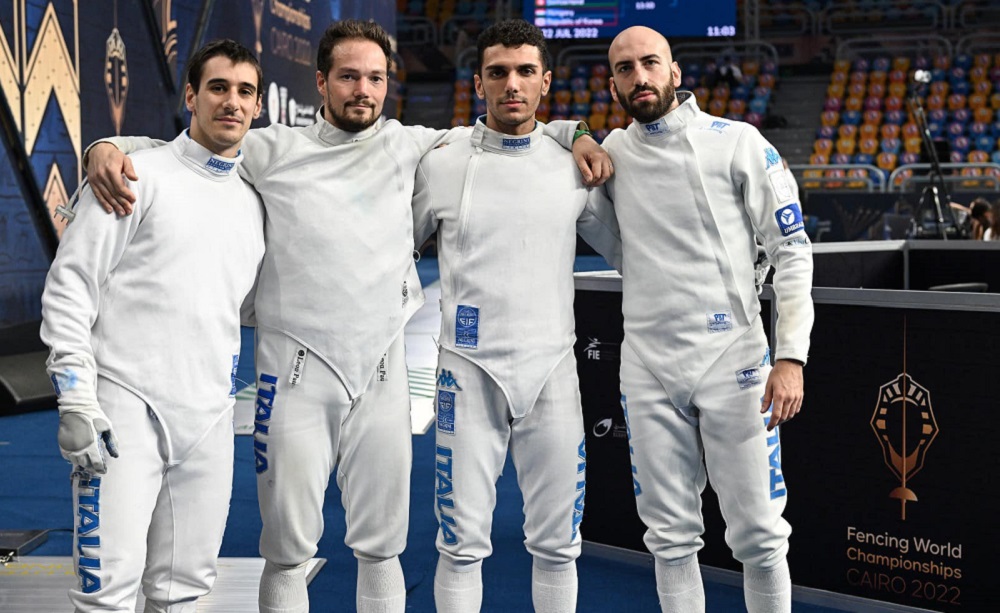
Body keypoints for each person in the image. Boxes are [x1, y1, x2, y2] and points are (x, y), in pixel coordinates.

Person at [83, 19, 612, 613]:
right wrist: (107, 147)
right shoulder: (271, 149)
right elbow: (185, 151)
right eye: (349, 76)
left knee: (382, 547)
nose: (363, 89)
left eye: (375, 78)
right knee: (287, 550)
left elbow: (515, 131)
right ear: (321, 82)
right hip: (293, 374)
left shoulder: (416, 147)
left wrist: (577, 132)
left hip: (381, 372)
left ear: (389, 85)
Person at [40, 39, 265, 612]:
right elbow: (71, 286)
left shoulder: (253, 200)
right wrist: (75, 397)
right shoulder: (132, 176)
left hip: (210, 415)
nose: (231, 102)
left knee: (184, 592)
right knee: (106, 594)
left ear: (259, 107)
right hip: (123, 408)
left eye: (244, 91)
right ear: (191, 95)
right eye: (217, 87)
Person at [597, 26, 814, 612]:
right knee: (668, 539)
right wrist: (572, 138)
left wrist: (790, 357)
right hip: (647, 364)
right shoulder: (611, 154)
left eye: (649, 64)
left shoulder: (738, 141)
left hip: (734, 359)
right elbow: (616, 243)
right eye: (623, 69)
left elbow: (792, 250)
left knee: (760, 533)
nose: (637, 77)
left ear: (675, 72)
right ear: (613, 82)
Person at [411, 20, 620, 613]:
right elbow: (392, 247)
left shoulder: (571, 163)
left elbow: (633, 250)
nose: (512, 84)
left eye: (526, 71)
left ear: (545, 82)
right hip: (466, 371)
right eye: (498, 72)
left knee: (558, 545)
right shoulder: (444, 160)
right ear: (478, 82)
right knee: (460, 545)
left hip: (552, 369)